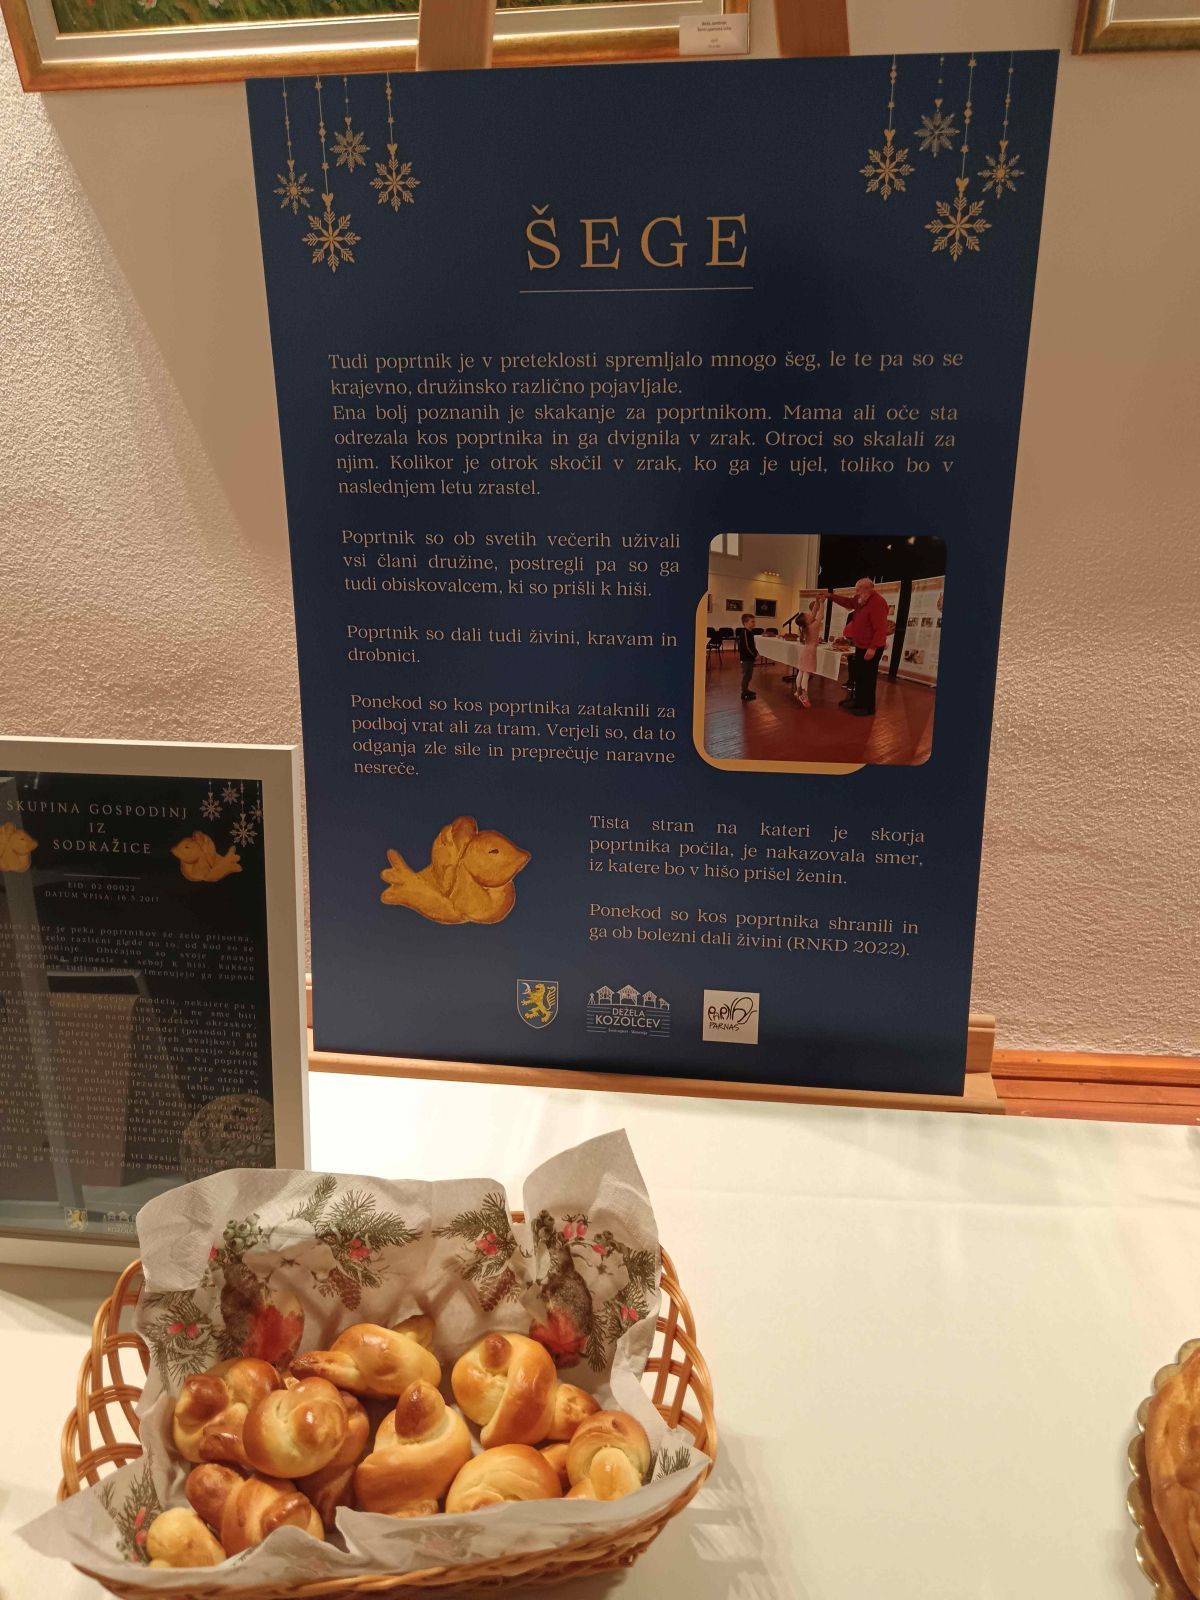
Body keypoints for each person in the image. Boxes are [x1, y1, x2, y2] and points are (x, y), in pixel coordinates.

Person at [827, 577, 889, 716]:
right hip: (861, 645)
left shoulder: (877, 602)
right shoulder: (861, 599)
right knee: (860, 675)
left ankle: (867, 707)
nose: (856, 593)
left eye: (858, 590)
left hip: (871, 647)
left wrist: (873, 648)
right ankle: (858, 701)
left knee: (868, 677)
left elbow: (880, 629)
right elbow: (847, 602)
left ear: (868, 589)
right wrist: (830, 596)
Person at [792, 597, 825, 709]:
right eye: (808, 615)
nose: (810, 614)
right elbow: (820, 615)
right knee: (806, 674)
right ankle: (804, 696)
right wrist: (822, 603)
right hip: (810, 652)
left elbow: (814, 613)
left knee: (801, 671)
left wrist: (817, 601)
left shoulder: (806, 626)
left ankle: (798, 691)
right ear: (807, 620)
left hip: (806, 650)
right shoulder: (813, 626)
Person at [735, 614, 759, 700]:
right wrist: (754, 655)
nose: (754, 623)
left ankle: (746, 690)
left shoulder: (750, 632)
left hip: (750, 658)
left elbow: (752, 645)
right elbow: (747, 646)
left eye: (754, 621)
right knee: (746, 675)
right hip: (746, 659)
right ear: (745, 623)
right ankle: (744, 693)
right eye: (752, 622)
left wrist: (756, 652)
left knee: (749, 675)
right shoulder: (744, 632)